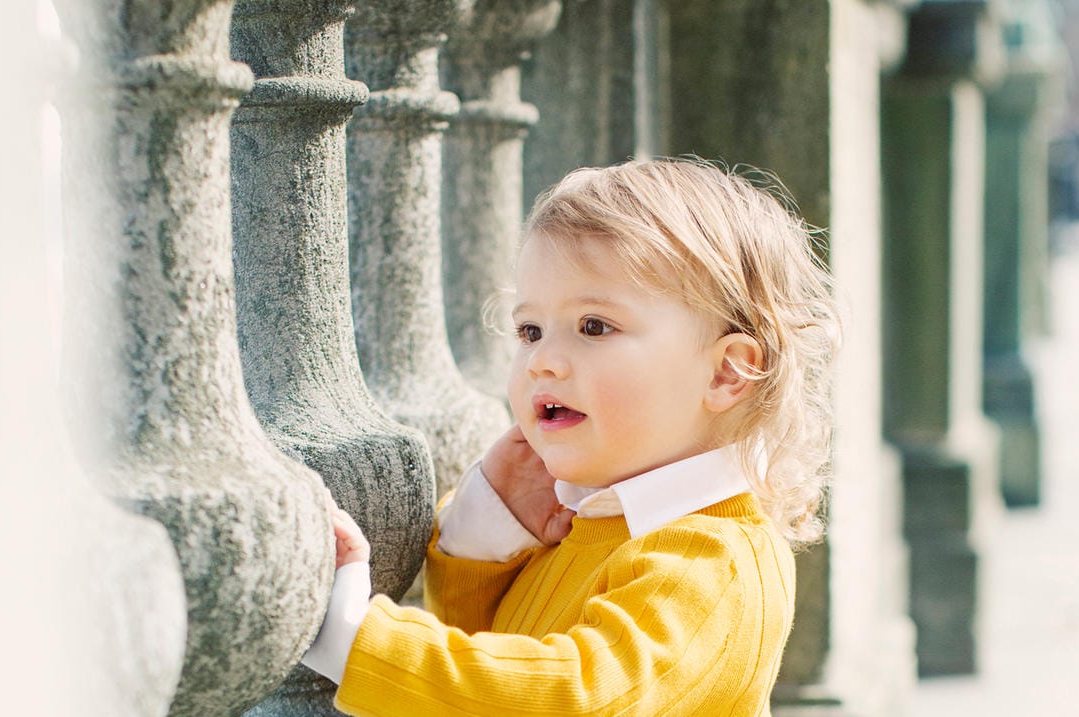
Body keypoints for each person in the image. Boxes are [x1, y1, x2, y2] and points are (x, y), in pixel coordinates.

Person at [303, 158, 840, 715]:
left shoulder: (715, 563)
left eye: (594, 327)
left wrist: (358, 640)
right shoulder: (586, 526)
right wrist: (485, 542)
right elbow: (485, 679)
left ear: (727, 372)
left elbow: (573, 700)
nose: (542, 362)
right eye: (530, 330)